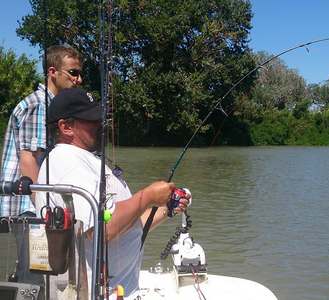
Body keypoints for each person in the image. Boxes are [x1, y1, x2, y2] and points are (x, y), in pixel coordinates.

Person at [35, 88, 189, 298]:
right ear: (66, 127)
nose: (101, 125)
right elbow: (103, 229)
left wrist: (165, 209)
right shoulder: (65, 162)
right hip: (95, 293)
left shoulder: (86, 159)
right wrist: (147, 196)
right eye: (91, 120)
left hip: (123, 290)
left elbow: (128, 224)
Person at [0, 45, 83, 284]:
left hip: (33, 205)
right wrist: (44, 210)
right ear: (53, 72)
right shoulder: (39, 106)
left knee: (37, 271)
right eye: (73, 72)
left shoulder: (52, 106)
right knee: (35, 276)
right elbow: (29, 160)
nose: (79, 79)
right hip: (29, 206)